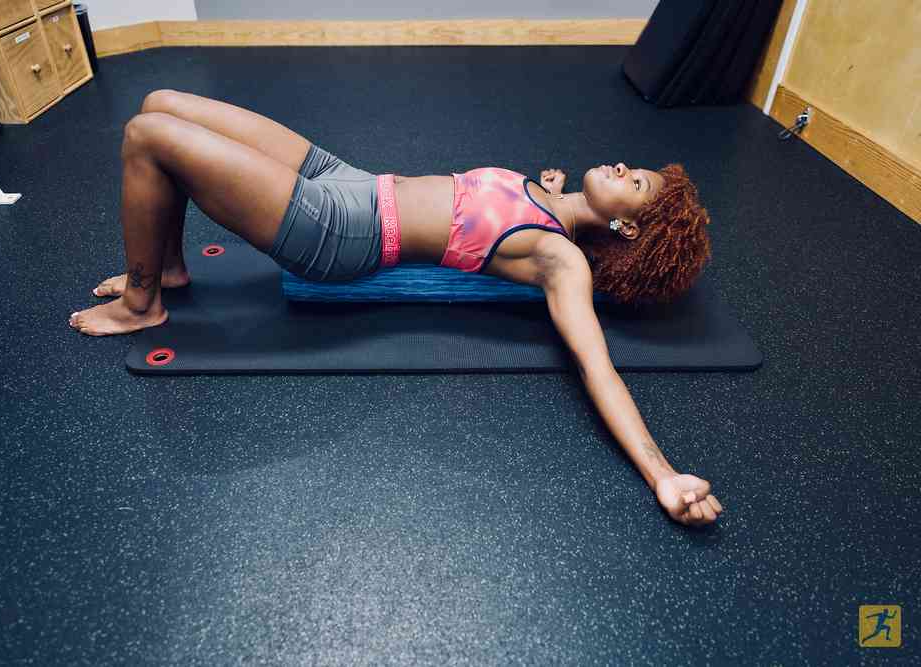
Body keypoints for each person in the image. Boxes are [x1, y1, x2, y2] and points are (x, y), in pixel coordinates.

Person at [69, 90, 720, 526]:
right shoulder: (555, 201)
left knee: (146, 134)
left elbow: (598, 367)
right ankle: (173, 269)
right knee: (161, 102)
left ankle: (143, 301)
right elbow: (523, 200)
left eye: (635, 183)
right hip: (347, 179)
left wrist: (662, 474)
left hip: (338, 232)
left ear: (631, 230)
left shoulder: (562, 261)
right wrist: (556, 190)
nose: (624, 165)